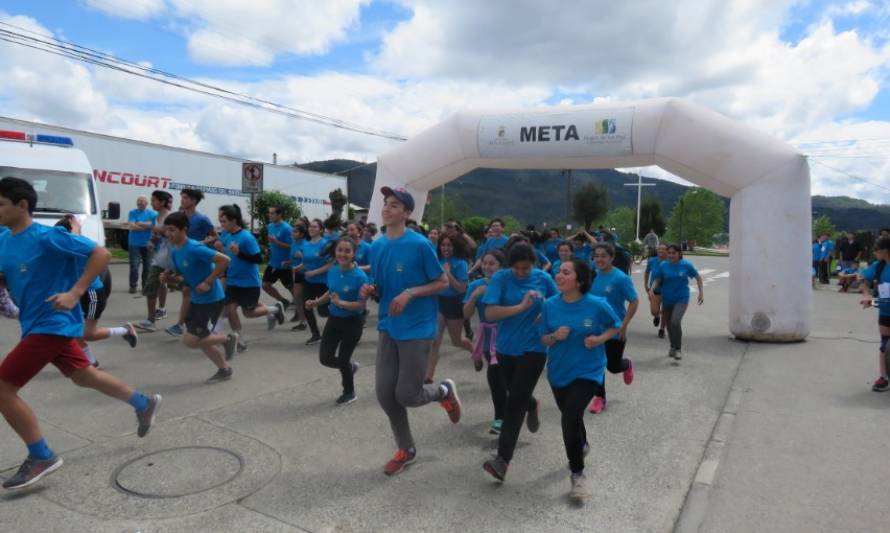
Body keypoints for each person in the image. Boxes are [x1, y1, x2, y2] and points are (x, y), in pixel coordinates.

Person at [0, 177, 160, 490]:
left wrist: (75, 292)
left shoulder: (48, 237)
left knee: (3, 390)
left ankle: (41, 455)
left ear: (22, 206)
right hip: (34, 322)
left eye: (0, 204)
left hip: (53, 323)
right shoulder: (4, 237)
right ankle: (144, 403)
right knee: (84, 375)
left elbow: (101, 254)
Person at [359, 186, 462, 476]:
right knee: (384, 393)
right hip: (389, 325)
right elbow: (378, 285)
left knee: (407, 394)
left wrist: (410, 293)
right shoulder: (378, 245)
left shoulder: (419, 245)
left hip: (417, 327)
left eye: (394, 205)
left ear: (406, 212)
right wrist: (370, 289)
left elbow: (442, 282)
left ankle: (443, 391)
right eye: (386, 203)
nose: (387, 208)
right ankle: (407, 449)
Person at [539, 258, 621, 501]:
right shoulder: (549, 305)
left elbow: (615, 325)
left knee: (569, 418)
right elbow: (542, 338)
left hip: (588, 370)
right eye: (558, 271)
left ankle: (577, 474)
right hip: (558, 372)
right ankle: (582, 445)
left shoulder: (597, 305)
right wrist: (554, 336)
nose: (559, 275)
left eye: (566, 272)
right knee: (572, 420)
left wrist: (599, 339)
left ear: (580, 280)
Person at [481, 242, 558, 482]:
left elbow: (559, 303)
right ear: (509, 266)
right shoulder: (501, 279)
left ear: (534, 264)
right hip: (505, 348)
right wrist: (521, 307)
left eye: (527, 268)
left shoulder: (543, 278)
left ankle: (502, 460)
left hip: (534, 348)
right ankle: (532, 404)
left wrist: (545, 312)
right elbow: (490, 314)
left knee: (513, 403)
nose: (523, 272)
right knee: (515, 392)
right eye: (518, 268)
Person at [161, 212, 238, 383]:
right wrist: (170, 279)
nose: (169, 234)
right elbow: (185, 278)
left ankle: (227, 339)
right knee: (201, 339)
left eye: (172, 230)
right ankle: (224, 369)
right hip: (197, 300)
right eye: (167, 230)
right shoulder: (175, 251)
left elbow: (224, 260)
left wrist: (209, 282)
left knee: (190, 340)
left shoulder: (195, 248)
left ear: (184, 230)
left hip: (211, 299)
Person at [55, 216, 138, 368]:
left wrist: (74, 231)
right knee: (74, 331)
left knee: (88, 333)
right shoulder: (61, 246)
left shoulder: (81, 244)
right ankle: (91, 362)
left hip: (92, 294)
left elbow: (104, 255)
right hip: (77, 295)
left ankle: (124, 330)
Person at [306, 237, 369, 404]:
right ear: (335, 251)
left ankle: (349, 392)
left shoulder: (360, 277)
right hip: (334, 320)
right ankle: (350, 367)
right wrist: (316, 302)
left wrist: (342, 303)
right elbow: (331, 292)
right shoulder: (333, 270)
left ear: (354, 253)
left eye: (347, 251)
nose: (343, 254)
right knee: (325, 358)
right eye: (340, 250)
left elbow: (361, 305)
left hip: (352, 322)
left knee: (342, 359)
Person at [216, 205, 285, 352]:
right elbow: (224, 250)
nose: (222, 225)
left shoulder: (247, 237)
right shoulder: (226, 235)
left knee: (248, 313)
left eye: (224, 221)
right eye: (220, 221)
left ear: (234, 220)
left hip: (249, 282)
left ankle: (274, 310)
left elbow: (259, 259)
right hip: (233, 281)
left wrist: (239, 253)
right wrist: (218, 246)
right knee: (230, 310)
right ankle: (240, 341)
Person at [587, 243, 639, 413]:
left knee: (613, 366)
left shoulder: (621, 278)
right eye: (597, 256)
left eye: (603, 256)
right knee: (596, 364)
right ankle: (599, 397)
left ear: (611, 258)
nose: (599, 259)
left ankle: (627, 364)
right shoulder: (593, 275)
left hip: (615, 327)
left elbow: (634, 301)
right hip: (595, 327)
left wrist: (624, 325)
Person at [463, 249, 508, 434]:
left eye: (492, 263)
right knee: (495, 377)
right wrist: (474, 296)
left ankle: (528, 404)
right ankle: (500, 418)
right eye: (485, 263)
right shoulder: (476, 285)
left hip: (509, 336)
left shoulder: (509, 284)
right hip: (489, 337)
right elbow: (466, 314)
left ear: (501, 266)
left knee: (508, 380)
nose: (487, 267)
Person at [166, 189, 217, 336]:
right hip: (182, 257)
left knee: (188, 292)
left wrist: (199, 243)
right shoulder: (179, 217)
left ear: (194, 201)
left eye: (186, 198)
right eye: (181, 197)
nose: (182, 200)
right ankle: (195, 324)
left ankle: (184, 325)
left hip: (197, 259)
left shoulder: (202, 219)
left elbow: (215, 236)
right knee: (187, 292)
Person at [426, 234, 474, 383]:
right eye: (443, 245)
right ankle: (428, 377)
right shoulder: (436, 260)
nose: (445, 248)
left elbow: (461, 288)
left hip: (455, 303)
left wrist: (447, 273)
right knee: (435, 341)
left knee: (456, 341)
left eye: (449, 245)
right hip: (439, 302)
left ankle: (475, 351)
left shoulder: (460, 263)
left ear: (455, 247)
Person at [648, 244, 704, 360]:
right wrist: (652, 289)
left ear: (679, 254)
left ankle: (678, 349)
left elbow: (698, 277)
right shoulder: (663, 265)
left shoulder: (686, 265)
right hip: (667, 298)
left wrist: (701, 293)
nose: (671, 255)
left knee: (675, 322)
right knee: (668, 325)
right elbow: (658, 279)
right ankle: (672, 346)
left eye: (674, 253)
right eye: (669, 253)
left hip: (681, 298)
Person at [138, 191, 173, 331]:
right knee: (156, 283)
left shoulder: (170, 216)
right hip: (163, 255)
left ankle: (151, 321)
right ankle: (153, 318)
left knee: (152, 284)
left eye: (154, 201)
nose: (151, 203)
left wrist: (151, 227)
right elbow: (159, 233)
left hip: (171, 256)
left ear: (162, 202)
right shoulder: (158, 216)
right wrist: (153, 240)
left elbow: (170, 232)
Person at [860, 236, 890, 392]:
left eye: (876, 250)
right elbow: (864, 281)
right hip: (885, 308)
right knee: (884, 343)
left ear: (885, 250)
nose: (875, 253)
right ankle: (883, 377)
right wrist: (866, 296)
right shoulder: (878, 266)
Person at [296, 218, 333, 345]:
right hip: (309, 282)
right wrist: (300, 267)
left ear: (321, 230)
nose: (311, 228)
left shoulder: (325, 244)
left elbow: (330, 264)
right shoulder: (305, 244)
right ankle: (316, 335)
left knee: (323, 312)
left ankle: (340, 326)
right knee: (307, 306)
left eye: (315, 227)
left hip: (323, 282)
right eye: (310, 226)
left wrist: (314, 272)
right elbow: (306, 262)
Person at [262, 206, 294, 311]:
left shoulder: (286, 228)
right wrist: (268, 250)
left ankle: (301, 308)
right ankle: (283, 301)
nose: (270, 215)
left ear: (279, 215)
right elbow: (271, 242)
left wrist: (276, 242)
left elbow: (291, 246)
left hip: (285, 264)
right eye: (269, 213)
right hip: (273, 263)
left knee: (292, 288)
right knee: (265, 285)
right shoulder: (270, 226)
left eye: (272, 213)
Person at [127, 196, 157, 294]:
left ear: (146, 203)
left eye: (143, 201)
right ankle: (133, 286)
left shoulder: (152, 214)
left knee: (148, 267)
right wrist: (145, 226)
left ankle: (145, 286)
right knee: (134, 266)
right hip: (134, 243)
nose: (140, 203)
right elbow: (131, 225)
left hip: (148, 243)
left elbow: (154, 226)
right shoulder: (132, 212)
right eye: (139, 201)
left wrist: (139, 223)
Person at [288, 224, 309, 330]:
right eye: (293, 231)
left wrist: (302, 256)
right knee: (297, 298)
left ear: (301, 234)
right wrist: (288, 263)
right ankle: (303, 322)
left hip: (308, 274)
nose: (292, 233)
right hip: (297, 274)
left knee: (308, 298)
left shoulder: (306, 245)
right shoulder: (293, 244)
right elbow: (292, 258)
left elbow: (310, 260)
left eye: (295, 232)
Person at [645, 244, 668, 338]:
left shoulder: (671, 261)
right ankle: (657, 316)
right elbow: (647, 272)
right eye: (659, 249)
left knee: (666, 311)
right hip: (654, 289)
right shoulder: (652, 261)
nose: (661, 251)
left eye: (663, 249)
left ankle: (662, 329)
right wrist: (645, 284)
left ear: (667, 251)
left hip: (668, 290)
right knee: (654, 311)